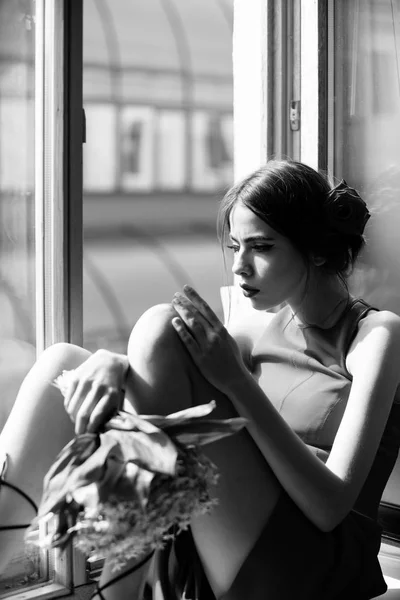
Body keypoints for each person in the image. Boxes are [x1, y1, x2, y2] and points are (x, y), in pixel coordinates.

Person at [1, 159, 400, 599]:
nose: (239, 267)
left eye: (261, 247)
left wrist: (237, 381)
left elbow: (330, 507)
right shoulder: (253, 330)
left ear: (318, 251)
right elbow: (161, 375)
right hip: (229, 531)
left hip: (309, 558)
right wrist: (110, 363)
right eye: (235, 248)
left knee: (158, 324)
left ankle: (119, 593)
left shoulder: (376, 335)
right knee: (62, 362)